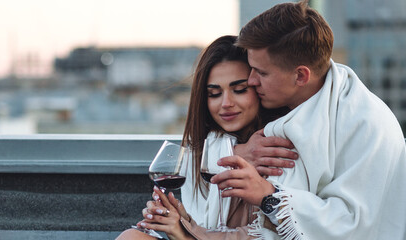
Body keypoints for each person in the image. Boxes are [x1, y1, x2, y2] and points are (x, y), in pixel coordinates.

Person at [209, 1, 406, 239]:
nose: (251, 81)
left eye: (261, 72)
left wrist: (269, 195)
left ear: (301, 75)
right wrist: (237, 151)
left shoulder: (365, 124)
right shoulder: (286, 105)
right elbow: (189, 153)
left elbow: (353, 224)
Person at [116, 35, 290, 240]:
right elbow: (204, 224)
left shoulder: (275, 147)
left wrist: (188, 234)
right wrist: (178, 221)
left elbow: (272, 233)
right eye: (214, 93)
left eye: (239, 90)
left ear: (259, 88)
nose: (226, 103)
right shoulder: (204, 148)